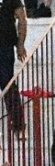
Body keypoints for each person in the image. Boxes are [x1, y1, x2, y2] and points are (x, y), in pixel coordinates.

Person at [0, 0, 26, 134]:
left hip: (4, 47)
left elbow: (22, 18)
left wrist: (20, 45)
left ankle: (18, 124)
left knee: (7, 84)